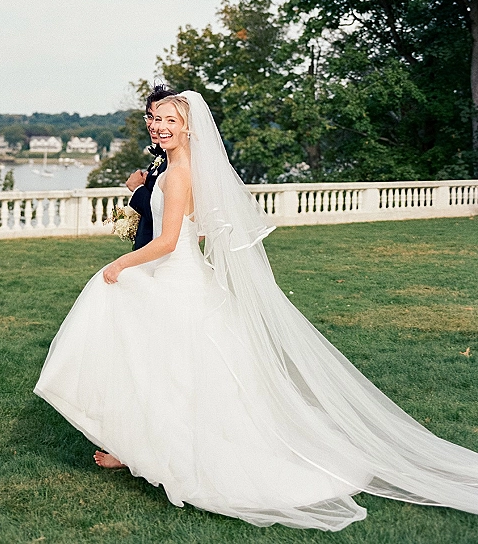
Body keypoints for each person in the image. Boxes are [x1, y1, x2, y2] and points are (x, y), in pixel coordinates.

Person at [34, 92, 478, 531]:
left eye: (169, 119)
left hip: (176, 279)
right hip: (172, 277)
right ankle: (133, 447)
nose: (159, 126)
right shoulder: (171, 168)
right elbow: (196, 229)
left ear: (189, 126)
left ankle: (158, 452)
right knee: (155, 367)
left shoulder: (182, 170)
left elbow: (168, 242)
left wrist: (118, 264)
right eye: (154, 119)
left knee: (172, 370)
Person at [125, 84, 177, 250]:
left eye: (161, 119)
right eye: (150, 117)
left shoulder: (174, 163)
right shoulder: (161, 158)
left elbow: (163, 216)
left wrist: (138, 189)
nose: (154, 125)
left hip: (158, 255)